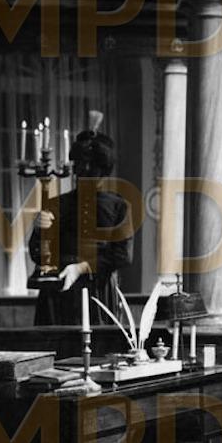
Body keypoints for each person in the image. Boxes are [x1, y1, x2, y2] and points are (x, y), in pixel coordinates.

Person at [27, 115, 132, 326]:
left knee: (97, 345)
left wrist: (82, 268)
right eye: (80, 165)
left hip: (98, 294)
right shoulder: (56, 204)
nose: (83, 171)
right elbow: (39, 255)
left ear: (102, 169)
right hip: (58, 295)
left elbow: (122, 256)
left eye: (90, 166)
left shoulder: (118, 206)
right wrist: (39, 230)